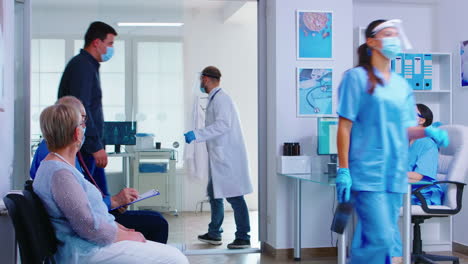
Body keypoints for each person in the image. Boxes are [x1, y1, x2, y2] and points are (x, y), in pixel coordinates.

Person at [336, 19, 449, 264]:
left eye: (396, 34)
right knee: (379, 238)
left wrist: (427, 132)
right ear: (371, 41)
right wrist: (343, 169)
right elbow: (345, 127)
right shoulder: (356, 78)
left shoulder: (401, 85)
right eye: (388, 33)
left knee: (377, 237)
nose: (394, 38)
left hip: (395, 175)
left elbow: (407, 130)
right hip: (368, 171)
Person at [33, 103, 188, 264]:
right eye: (83, 124)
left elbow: (91, 216)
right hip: (87, 251)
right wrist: (126, 236)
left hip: (92, 245)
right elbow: (88, 225)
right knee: (176, 259)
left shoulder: (57, 166)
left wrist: (121, 229)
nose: (85, 128)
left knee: (171, 253)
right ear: (77, 133)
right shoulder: (61, 174)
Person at [184, 66, 253, 249]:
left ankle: (243, 236)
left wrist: (197, 134)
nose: (200, 83)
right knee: (214, 194)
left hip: (228, 158)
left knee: (235, 197)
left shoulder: (222, 99)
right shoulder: (215, 99)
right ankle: (214, 233)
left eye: (201, 80)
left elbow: (222, 125)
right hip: (220, 158)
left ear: (205, 79)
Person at [57, 21, 114, 198]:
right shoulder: (82, 67)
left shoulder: (88, 66)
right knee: (94, 198)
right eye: (110, 43)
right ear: (96, 42)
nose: (112, 49)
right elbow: (81, 110)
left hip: (86, 145)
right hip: (84, 147)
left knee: (100, 197)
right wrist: (95, 145)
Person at [408, 104, 443, 205]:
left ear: (421, 120)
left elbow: (417, 176)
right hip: (405, 191)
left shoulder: (428, 144)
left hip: (422, 195)